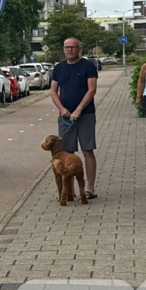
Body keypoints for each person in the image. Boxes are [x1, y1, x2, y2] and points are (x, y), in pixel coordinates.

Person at [50, 37, 99, 199]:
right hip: (65, 117)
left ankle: (89, 188)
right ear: (63, 49)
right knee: (66, 153)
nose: (70, 50)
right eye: (67, 47)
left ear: (79, 49)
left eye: (73, 47)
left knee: (87, 150)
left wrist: (78, 109)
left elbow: (92, 90)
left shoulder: (88, 66)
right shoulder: (59, 68)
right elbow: (53, 91)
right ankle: (68, 191)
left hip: (86, 115)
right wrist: (61, 109)